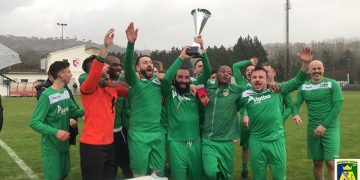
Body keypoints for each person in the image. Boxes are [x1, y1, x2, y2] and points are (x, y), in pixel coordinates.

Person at [240, 48, 312, 180]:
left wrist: (306, 64)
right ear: (250, 80)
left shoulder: (276, 89)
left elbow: (297, 82)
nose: (257, 79)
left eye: (261, 77)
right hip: (256, 142)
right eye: (254, 77)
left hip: (276, 141)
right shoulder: (245, 94)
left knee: (279, 177)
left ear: (267, 79)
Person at [124, 22, 174, 178]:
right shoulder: (135, 83)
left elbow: (169, 79)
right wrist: (131, 44)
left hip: (157, 134)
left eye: (151, 62)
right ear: (138, 68)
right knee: (139, 173)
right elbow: (127, 66)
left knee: (157, 174)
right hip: (138, 135)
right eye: (145, 62)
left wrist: (180, 58)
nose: (149, 64)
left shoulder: (160, 85)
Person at [79, 28, 128, 180]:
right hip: (92, 145)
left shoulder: (111, 87)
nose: (108, 66)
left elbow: (131, 88)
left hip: (109, 143)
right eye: (104, 65)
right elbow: (94, 74)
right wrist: (105, 48)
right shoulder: (88, 87)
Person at [162, 36, 211, 180]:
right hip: (176, 143)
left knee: (197, 176)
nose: (183, 80)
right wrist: (181, 57)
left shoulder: (195, 88)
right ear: (174, 79)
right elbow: (165, 79)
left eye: (186, 77)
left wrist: (203, 50)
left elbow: (207, 72)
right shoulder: (169, 91)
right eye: (180, 77)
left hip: (195, 142)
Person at [30, 61, 84, 180]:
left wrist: (89, 109)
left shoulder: (64, 91)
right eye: (68, 71)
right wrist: (56, 132)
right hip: (51, 148)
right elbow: (35, 122)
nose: (70, 74)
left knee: (63, 175)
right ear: (61, 74)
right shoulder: (46, 95)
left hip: (64, 145)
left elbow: (74, 111)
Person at [292, 59, 344, 180]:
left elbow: (337, 108)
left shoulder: (333, 84)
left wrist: (323, 125)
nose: (317, 71)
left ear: (323, 69)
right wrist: (295, 114)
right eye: (314, 68)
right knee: (317, 162)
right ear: (310, 70)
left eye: (319, 68)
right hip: (312, 129)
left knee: (331, 163)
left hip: (330, 128)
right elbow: (295, 105)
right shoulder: (304, 86)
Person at [201, 64, 245, 180]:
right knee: (210, 173)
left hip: (226, 142)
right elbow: (197, 82)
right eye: (223, 71)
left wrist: (270, 84)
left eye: (229, 73)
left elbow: (253, 91)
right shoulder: (208, 87)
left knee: (227, 176)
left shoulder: (236, 90)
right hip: (208, 141)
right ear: (216, 74)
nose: (226, 74)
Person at [106, 55, 133, 178]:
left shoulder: (122, 82)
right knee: (108, 166)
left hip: (120, 131)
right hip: (104, 134)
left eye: (119, 65)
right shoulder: (95, 81)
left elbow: (126, 107)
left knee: (126, 164)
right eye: (114, 65)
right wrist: (109, 83)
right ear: (105, 66)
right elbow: (84, 78)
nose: (118, 67)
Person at [35, 72, 79, 145]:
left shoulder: (65, 88)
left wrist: (81, 112)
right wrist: (68, 118)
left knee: (66, 145)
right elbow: (51, 110)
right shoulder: (44, 90)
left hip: (68, 124)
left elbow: (73, 104)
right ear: (50, 77)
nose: (70, 75)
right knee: (55, 146)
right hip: (56, 125)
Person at [232, 57, 258, 179]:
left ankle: (259, 169)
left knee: (258, 146)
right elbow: (235, 66)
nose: (249, 71)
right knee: (245, 147)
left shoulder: (260, 84)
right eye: (247, 69)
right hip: (244, 118)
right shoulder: (242, 83)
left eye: (252, 69)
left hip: (258, 118)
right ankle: (245, 169)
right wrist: (249, 61)